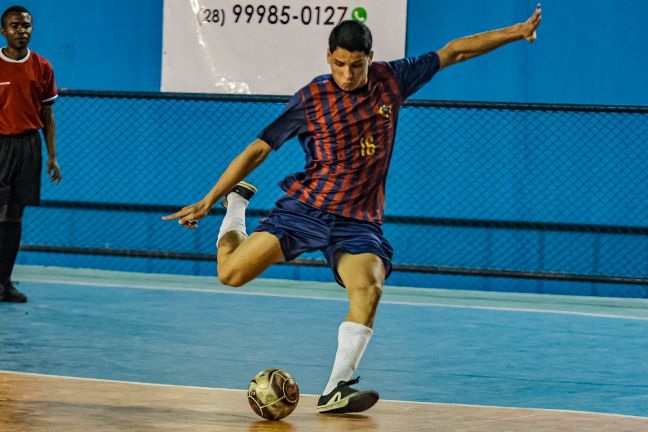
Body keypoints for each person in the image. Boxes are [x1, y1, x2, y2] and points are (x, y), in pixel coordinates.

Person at [164, 5, 542, 413]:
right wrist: (209, 198)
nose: (347, 74)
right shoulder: (312, 98)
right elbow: (260, 147)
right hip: (307, 209)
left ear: (370, 59)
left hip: (357, 221)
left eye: (356, 66)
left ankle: (335, 390)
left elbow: (453, 52)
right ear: (329, 57)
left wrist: (517, 31)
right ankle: (236, 203)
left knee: (369, 286)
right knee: (230, 274)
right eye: (340, 64)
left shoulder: (392, 80)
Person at [0, 5, 61, 303]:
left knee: (13, 216)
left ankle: (4, 283)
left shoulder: (42, 67)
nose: (21, 31)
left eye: (26, 26)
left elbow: (48, 116)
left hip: (28, 147)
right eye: (14, 26)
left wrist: (52, 156)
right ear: (4, 31)